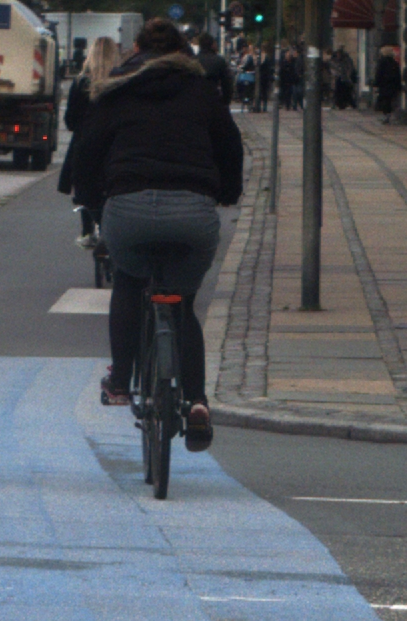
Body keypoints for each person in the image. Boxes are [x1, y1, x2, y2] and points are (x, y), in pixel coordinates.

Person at [71, 18, 243, 451]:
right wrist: (227, 192)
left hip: (128, 208)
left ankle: (120, 382)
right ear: (183, 52)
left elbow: (87, 149)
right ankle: (198, 402)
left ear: (136, 51)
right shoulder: (202, 92)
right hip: (192, 210)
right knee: (182, 304)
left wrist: (89, 199)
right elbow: (230, 146)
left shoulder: (116, 90)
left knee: (129, 283)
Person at [57, 36, 120, 248]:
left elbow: (70, 120)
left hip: (85, 143)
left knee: (83, 184)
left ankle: (87, 231)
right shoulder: (121, 81)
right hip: (113, 143)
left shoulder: (81, 82)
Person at [194, 31, 234, 107]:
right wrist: (226, 101)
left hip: (196, 99)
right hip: (213, 98)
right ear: (212, 45)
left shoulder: (193, 60)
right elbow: (227, 83)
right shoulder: (219, 61)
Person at [373, 44, 401, 122]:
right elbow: (398, 75)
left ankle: (386, 115)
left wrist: (376, 83)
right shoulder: (394, 62)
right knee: (390, 100)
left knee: (384, 100)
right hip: (392, 85)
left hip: (384, 85)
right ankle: (389, 115)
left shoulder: (382, 62)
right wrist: (398, 85)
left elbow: (379, 73)